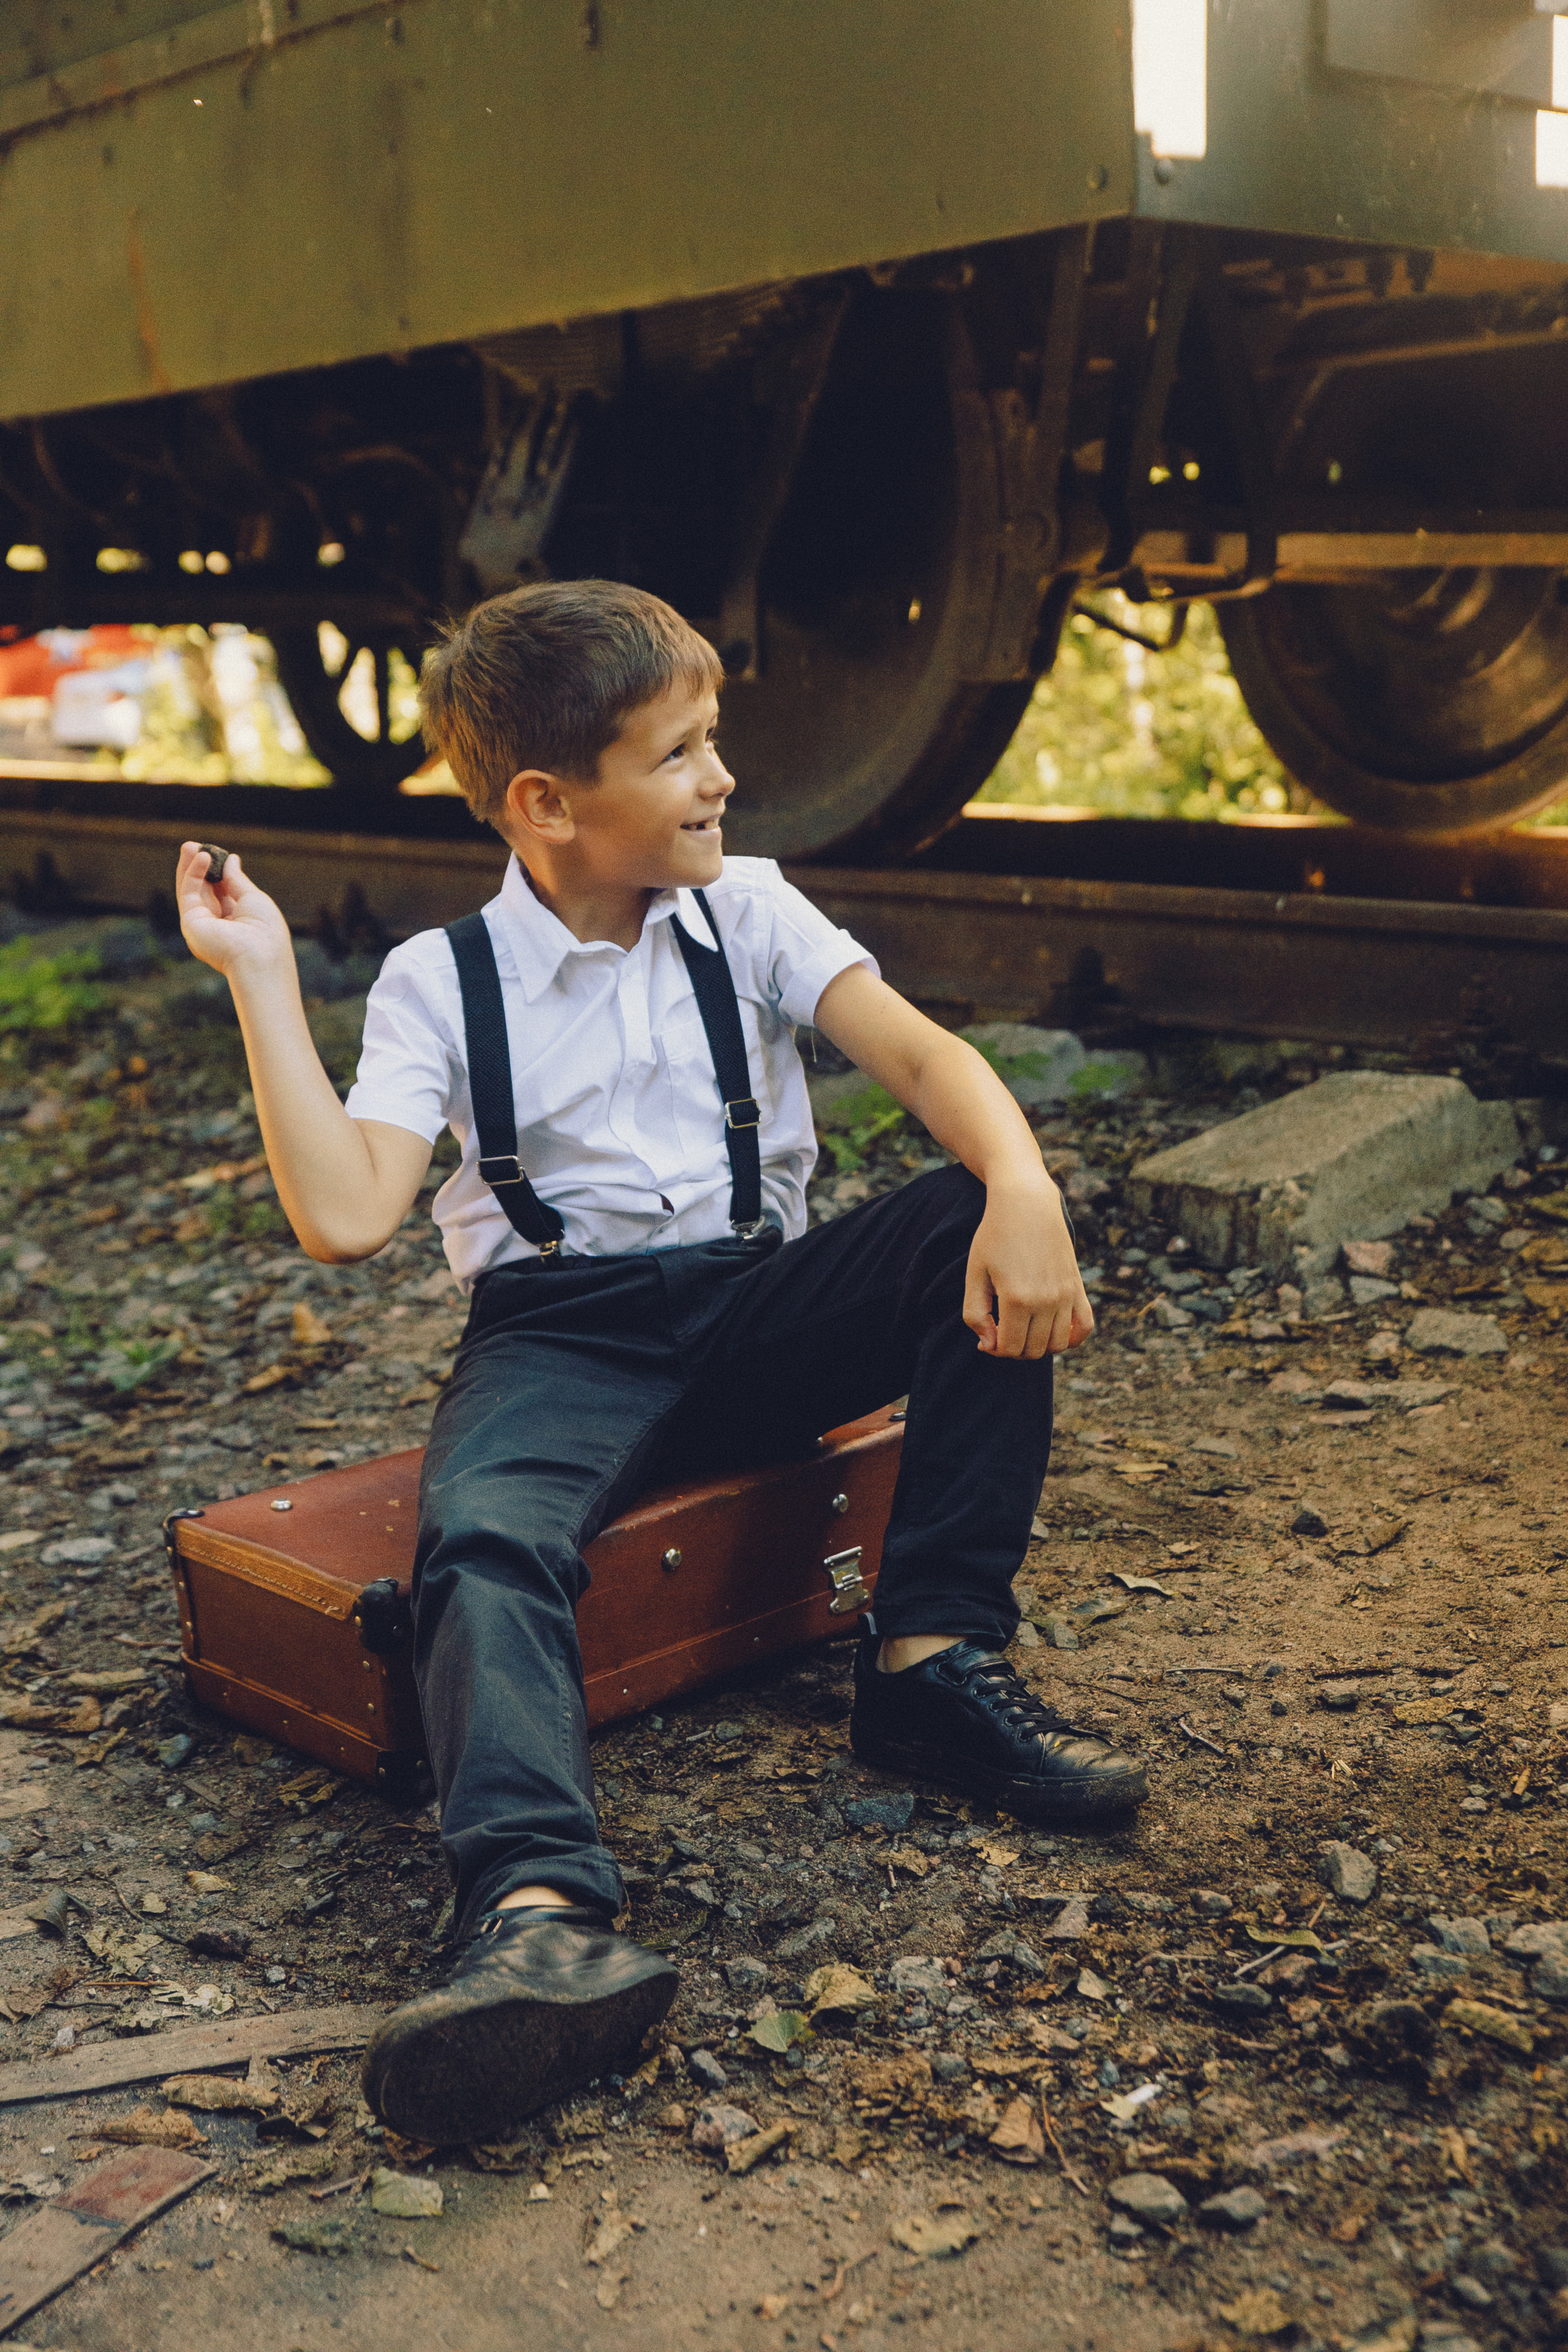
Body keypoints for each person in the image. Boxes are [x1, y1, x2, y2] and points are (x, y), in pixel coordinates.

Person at [173, 579, 1147, 2146]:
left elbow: (919, 1056)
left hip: (760, 1310)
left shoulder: (745, 908)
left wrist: (1022, 1191)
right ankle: (538, 1915)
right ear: (548, 805)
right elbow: (348, 1212)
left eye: (714, 743)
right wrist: (262, 978)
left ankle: (928, 1669)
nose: (719, 779)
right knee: (482, 1541)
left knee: (966, 1211)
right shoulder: (443, 980)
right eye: (682, 753)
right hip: (560, 1336)